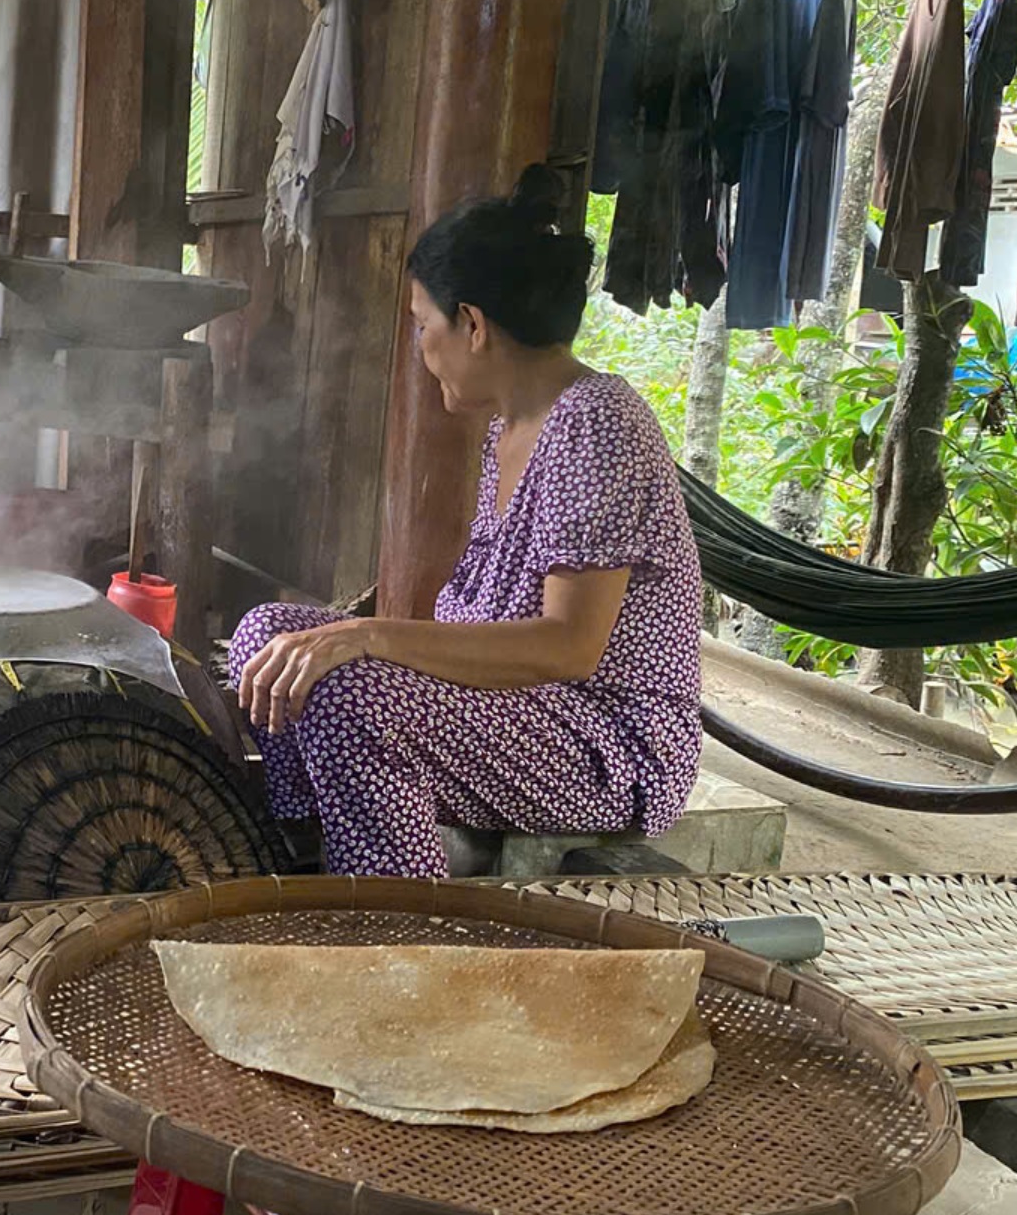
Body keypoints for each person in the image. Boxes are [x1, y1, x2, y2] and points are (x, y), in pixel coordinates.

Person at [228, 164, 703, 878]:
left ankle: (404, 918)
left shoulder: (598, 424)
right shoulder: (509, 430)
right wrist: (344, 638)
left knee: (353, 693)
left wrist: (368, 637)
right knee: (268, 635)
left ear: (472, 325)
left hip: (603, 742)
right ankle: (308, 846)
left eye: (424, 326)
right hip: (515, 713)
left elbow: (568, 649)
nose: (421, 352)